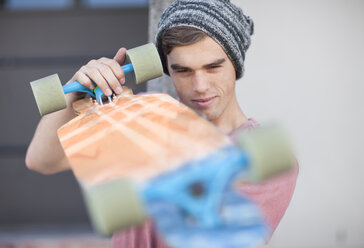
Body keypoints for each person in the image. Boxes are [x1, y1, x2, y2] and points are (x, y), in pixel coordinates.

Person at [26, 0, 298, 247]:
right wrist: (76, 92)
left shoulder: (258, 159)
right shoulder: (139, 117)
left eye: (213, 67)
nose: (200, 86)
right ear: (166, 68)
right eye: (183, 70)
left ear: (235, 66)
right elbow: (42, 160)